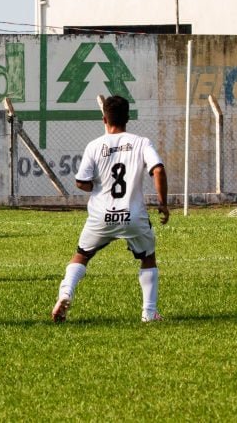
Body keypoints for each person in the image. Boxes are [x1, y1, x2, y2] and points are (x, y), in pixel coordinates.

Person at [51, 95, 170, 323]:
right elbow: (158, 170)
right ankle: (149, 312)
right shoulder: (141, 142)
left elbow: (81, 182)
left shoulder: (94, 145)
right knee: (148, 257)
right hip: (133, 215)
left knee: (81, 256)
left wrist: (97, 183)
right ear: (128, 117)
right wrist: (163, 204)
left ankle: (66, 293)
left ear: (104, 118)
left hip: (101, 216)